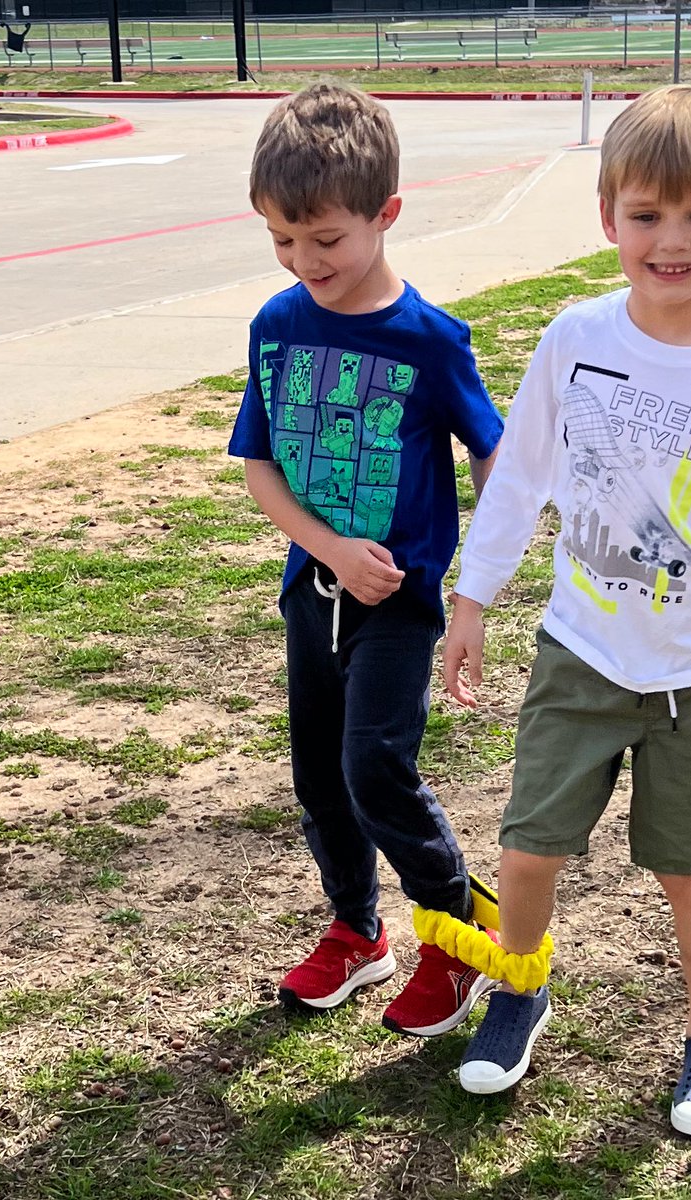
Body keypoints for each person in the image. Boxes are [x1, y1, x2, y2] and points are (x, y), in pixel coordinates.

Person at [440, 85, 691, 1139]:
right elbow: (518, 476)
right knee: (529, 852)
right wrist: (472, 596)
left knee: (688, 870)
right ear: (608, 213)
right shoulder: (575, 337)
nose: (672, 240)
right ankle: (519, 989)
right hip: (581, 652)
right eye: (647, 214)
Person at [227, 83, 505, 1036]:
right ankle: (357, 932)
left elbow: (494, 453)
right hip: (314, 593)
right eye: (282, 242)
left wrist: (480, 577)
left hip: (401, 603)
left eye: (326, 240)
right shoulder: (278, 324)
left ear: (386, 214)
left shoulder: (430, 341)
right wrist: (331, 550)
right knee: (318, 776)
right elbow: (260, 466)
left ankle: (456, 936)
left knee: (376, 768)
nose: (306, 262)